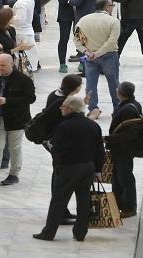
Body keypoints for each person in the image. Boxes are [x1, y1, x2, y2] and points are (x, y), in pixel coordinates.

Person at [33, 96, 104, 242]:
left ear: (71, 109)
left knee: (59, 200)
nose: (61, 108)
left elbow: (59, 150)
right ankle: (80, 233)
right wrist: (98, 170)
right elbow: (99, 150)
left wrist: (50, 146)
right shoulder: (93, 125)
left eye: (63, 106)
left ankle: (49, 232)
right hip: (88, 167)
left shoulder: (64, 126)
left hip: (69, 168)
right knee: (84, 200)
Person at [0, 54, 35, 187]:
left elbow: (30, 98)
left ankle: (14, 174)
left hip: (17, 119)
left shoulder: (23, 79)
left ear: (11, 64)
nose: (0, 68)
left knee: (14, 148)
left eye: (3, 65)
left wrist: (7, 101)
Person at [105, 82, 143, 218]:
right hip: (121, 149)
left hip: (124, 149)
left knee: (124, 178)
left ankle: (129, 207)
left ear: (120, 93)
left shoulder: (128, 108)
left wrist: (110, 139)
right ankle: (118, 205)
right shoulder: (132, 104)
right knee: (118, 177)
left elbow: (131, 133)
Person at [74, 0, 120, 120]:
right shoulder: (113, 21)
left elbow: (77, 39)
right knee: (114, 83)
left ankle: (93, 109)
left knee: (91, 83)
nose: (112, 8)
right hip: (109, 55)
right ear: (106, 7)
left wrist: (87, 52)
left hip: (90, 57)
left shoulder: (83, 20)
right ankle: (118, 108)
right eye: (112, 5)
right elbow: (111, 42)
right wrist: (98, 53)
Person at [8, 0, 39, 70]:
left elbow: (20, 19)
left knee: (24, 64)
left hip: (22, 33)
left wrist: (6, 17)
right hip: (27, 31)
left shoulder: (22, 2)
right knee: (27, 63)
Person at [56, 0, 79, 72]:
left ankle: (82, 61)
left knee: (81, 39)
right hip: (65, 15)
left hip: (79, 14)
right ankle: (62, 63)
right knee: (64, 39)